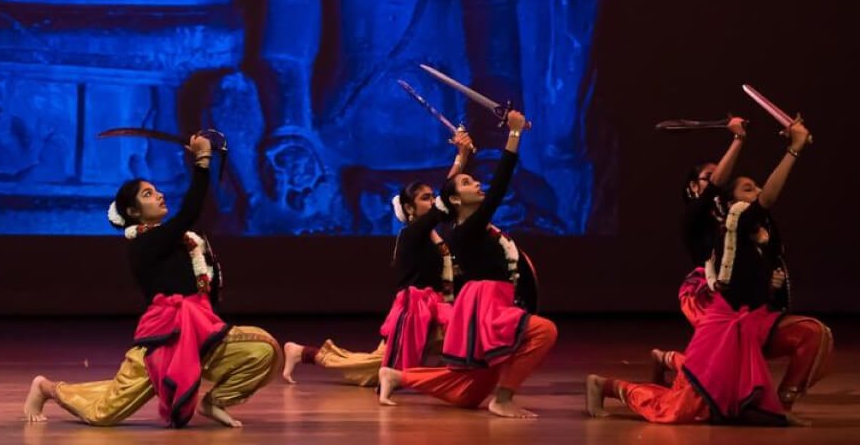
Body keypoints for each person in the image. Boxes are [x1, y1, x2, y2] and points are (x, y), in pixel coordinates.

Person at [22, 134, 281, 428]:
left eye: (156, 191)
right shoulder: (145, 243)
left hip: (199, 333)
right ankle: (47, 388)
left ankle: (214, 402)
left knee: (264, 349)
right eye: (148, 194)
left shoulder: (180, 241)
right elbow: (190, 212)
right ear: (133, 213)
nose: (159, 195)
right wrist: (202, 161)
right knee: (103, 414)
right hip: (163, 341)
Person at [589, 120, 829, 424]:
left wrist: (772, 279)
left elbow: (765, 237)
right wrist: (751, 141)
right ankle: (609, 385)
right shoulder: (713, 216)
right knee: (683, 407)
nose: (754, 191)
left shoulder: (748, 222)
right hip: (714, 303)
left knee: (808, 337)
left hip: (743, 312)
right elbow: (742, 192)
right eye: (746, 187)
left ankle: (773, 404)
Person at [378, 111, 558, 418]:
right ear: (456, 202)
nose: (477, 184)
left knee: (471, 392)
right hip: (484, 305)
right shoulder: (463, 229)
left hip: (489, 301)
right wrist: (513, 135)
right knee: (544, 331)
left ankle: (398, 376)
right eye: (467, 183)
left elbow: (449, 198)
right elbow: (493, 189)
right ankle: (502, 399)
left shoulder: (466, 227)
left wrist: (462, 155)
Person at [281, 129, 475, 386]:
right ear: (409, 208)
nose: (432, 202)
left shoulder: (430, 234)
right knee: (375, 369)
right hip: (414, 311)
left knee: (458, 347)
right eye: (425, 198)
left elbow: (447, 202)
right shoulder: (413, 233)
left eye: (432, 197)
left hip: (435, 310)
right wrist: (461, 156)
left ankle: (466, 379)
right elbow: (445, 202)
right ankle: (304, 353)